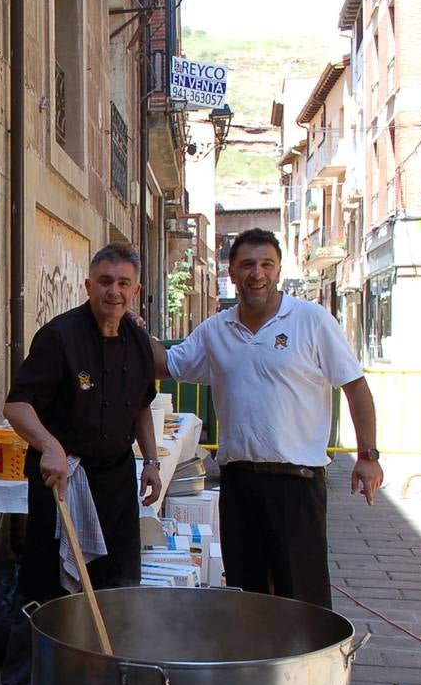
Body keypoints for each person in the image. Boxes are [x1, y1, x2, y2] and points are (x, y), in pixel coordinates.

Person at [143, 227, 384, 609]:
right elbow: (166, 364)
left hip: (297, 486)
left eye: (266, 264)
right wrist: (130, 326)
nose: (257, 273)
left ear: (278, 270)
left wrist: (368, 457)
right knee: (248, 599)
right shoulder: (215, 331)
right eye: (247, 265)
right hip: (239, 486)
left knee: (303, 603)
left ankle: (306, 669)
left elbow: (355, 387)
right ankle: (254, 669)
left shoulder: (311, 320)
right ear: (232, 273)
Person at [0, 242, 163, 685]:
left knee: (119, 583)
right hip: (61, 478)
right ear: (88, 285)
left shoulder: (137, 341)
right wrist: (48, 445)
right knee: (43, 586)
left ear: (135, 291)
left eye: (123, 283)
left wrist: (151, 461)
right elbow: (17, 406)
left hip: (115, 478)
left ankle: (108, 682)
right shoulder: (60, 337)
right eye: (105, 281)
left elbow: (140, 407)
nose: (113, 291)